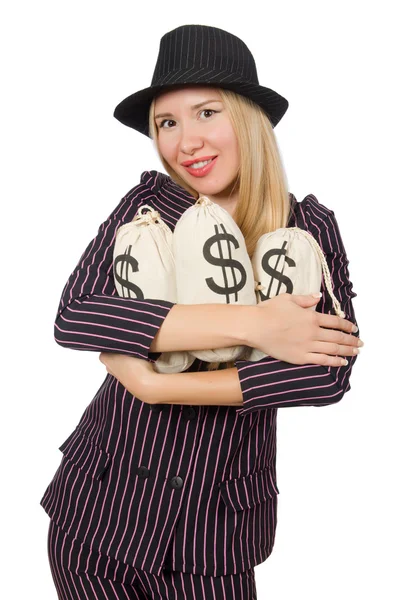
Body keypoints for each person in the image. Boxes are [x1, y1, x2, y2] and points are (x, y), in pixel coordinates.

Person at [40, 24, 362, 600]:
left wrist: (153, 382)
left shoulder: (308, 228)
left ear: (248, 119)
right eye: (167, 123)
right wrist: (257, 326)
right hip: (97, 514)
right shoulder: (147, 208)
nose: (185, 142)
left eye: (207, 113)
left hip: (213, 535)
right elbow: (77, 315)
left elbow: (328, 373)